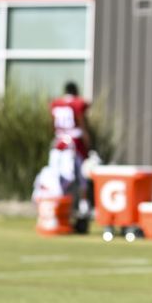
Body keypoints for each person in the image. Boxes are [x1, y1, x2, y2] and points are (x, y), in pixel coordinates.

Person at [49, 82, 91, 222]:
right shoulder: (77, 104)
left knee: (59, 178)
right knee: (79, 177)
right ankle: (78, 207)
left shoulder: (56, 103)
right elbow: (82, 125)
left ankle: (62, 207)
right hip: (74, 145)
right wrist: (88, 146)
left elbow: (53, 125)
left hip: (58, 144)